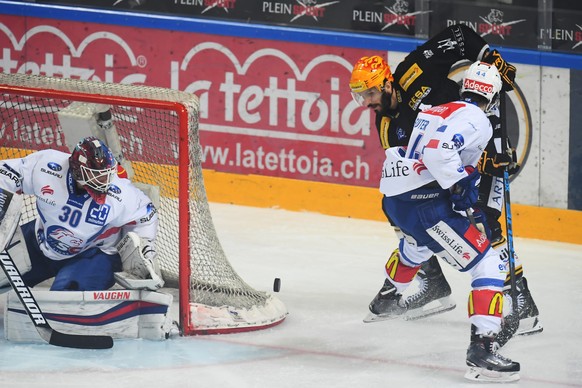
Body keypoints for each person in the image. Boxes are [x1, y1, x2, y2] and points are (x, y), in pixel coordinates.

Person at [349, 24, 541, 344]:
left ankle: (522, 304)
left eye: (369, 93)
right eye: (360, 96)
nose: (366, 102)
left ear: (386, 83)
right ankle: (435, 283)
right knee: (411, 224)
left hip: (481, 138)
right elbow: (423, 165)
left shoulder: (412, 71)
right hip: (454, 171)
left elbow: (460, 37)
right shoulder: (386, 125)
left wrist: (490, 58)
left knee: (488, 230)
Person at [377, 61, 519, 381]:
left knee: (419, 245)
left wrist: (464, 194)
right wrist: (463, 195)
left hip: (400, 202)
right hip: (427, 208)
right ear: (492, 97)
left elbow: (425, 152)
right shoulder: (477, 119)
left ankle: (388, 295)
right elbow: (440, 153)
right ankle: (483, 348)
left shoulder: (438, 109)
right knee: (488, 264)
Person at [0, 136, 163, 292]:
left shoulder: (121, 194)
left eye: (106, 175)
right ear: (77, 171)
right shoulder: (47, 166)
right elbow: (6, 174)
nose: (103, 182)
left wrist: (146, 245)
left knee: (67, 299)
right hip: (41, 240)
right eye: (95, 175)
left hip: (93, 254)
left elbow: (145, 214)